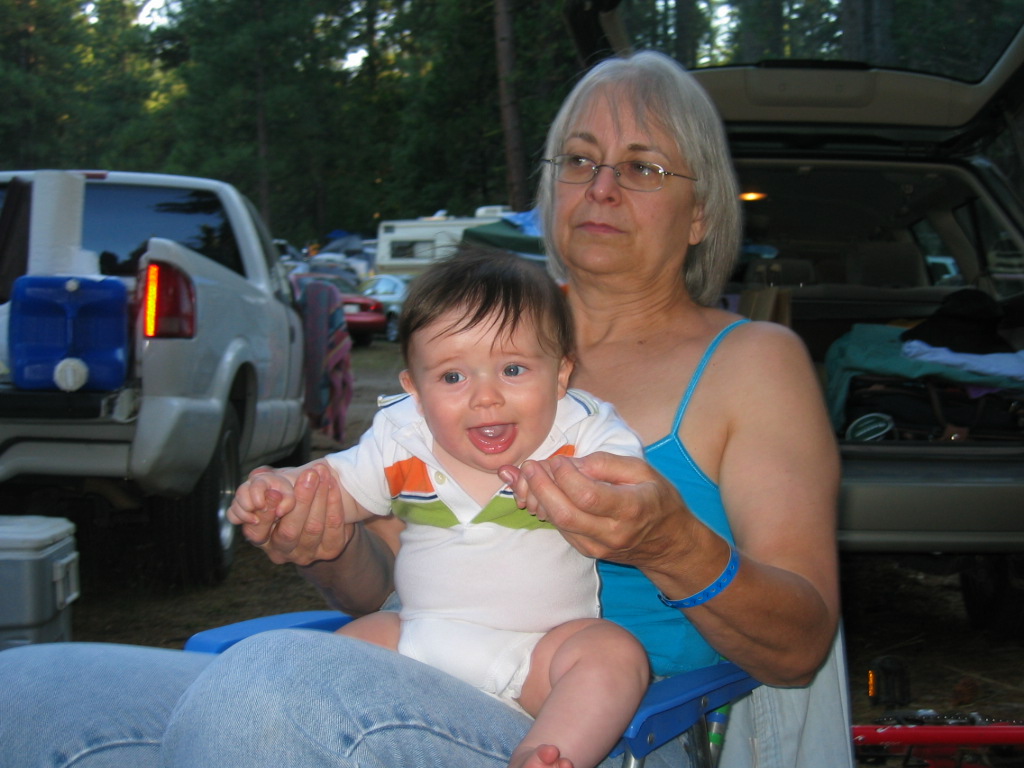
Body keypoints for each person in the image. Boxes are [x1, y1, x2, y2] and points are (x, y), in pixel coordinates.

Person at [0, 50, 852, 768]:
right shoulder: (469, 337)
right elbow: (384, 580)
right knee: (28, 695)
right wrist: (328, 542)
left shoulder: (752, 362)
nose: (600, 188)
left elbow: (799, 644)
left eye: (642, 167)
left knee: (266, 693)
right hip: (420, 672)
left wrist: (670, 544)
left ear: (701, 212)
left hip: (608, 727)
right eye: (578, 160)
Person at [228, 246, 649, 768]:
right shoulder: (402, 438)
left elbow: (629, 485)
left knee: (614, 654)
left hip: (538, 655)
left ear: (561, 374)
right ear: (415, 390)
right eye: (452, 377)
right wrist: (282, 488)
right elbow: (333, 482)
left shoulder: (583, 430)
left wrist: (582, 489)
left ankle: (545, 754)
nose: (485, 397)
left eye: (512, 368)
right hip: (416, 639)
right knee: (321, 663)